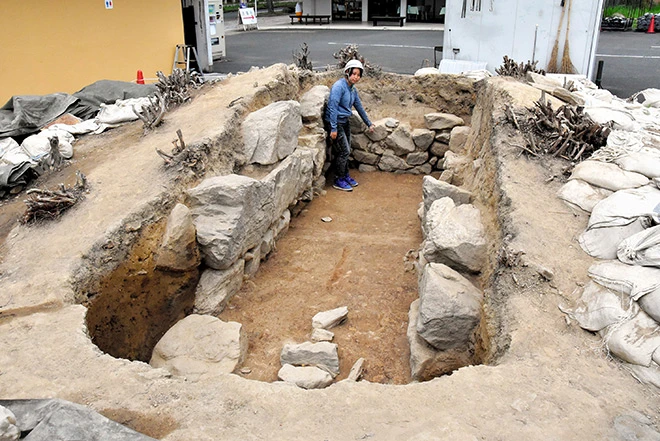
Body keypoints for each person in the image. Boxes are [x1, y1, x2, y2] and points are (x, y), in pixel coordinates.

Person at [324, 59, 374, 192]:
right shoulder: (338, 87)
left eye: (358, 75)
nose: (356, 77)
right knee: (344, 151)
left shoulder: (352, 89)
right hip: (335, 122)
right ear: (347, 72)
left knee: (347, 150)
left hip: (344, 121)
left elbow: (358, 106)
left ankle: (345, 175)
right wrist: (333, 128)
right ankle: (338, 179)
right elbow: (333, 107)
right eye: (354, 74)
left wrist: (368, 123)